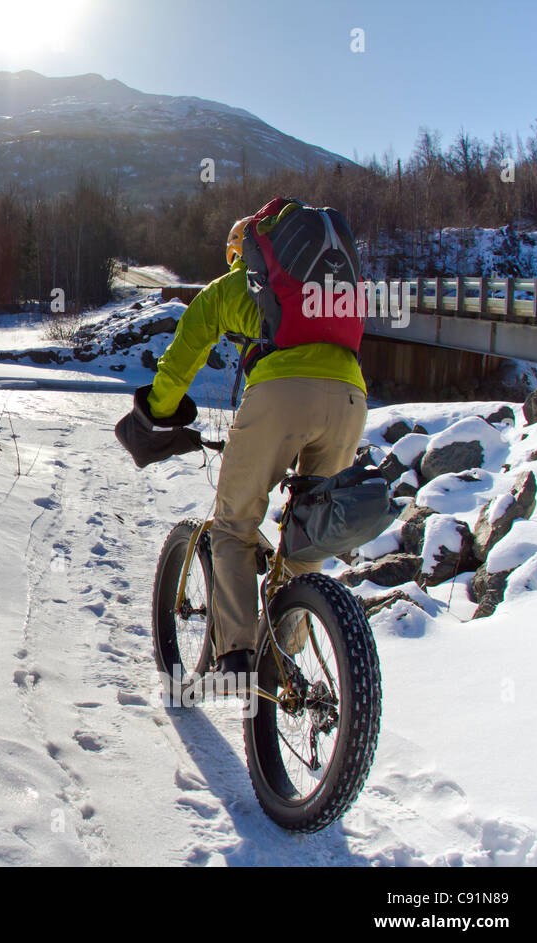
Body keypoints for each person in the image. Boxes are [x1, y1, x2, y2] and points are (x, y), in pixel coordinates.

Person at [125, 205, 368, 682]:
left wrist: (155, 411)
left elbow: (181, 359)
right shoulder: (326, 285)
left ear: (244, 251)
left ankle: (237, 657)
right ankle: (286, 652)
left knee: (233, 527)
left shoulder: (236, 286)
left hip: (280, 397)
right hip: (351, 399)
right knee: (307, 534)